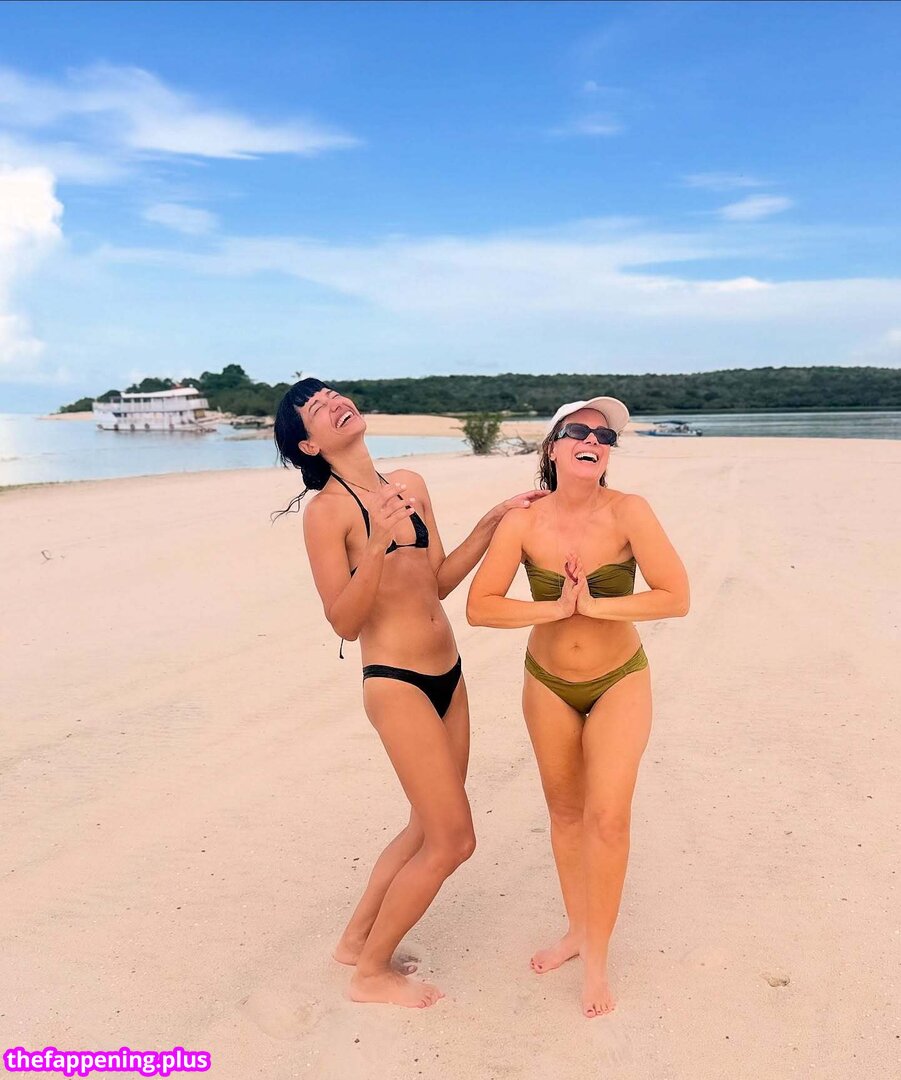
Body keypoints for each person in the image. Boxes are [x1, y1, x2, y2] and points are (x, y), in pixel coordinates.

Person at [273, 378, 546, 1009]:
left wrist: (494, 519)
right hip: (396, 682)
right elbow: (343, 621)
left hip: (448, 673)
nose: (335, 404)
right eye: (317, 409)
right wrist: (374, 546)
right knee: (454, 840)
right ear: (310, 445)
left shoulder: (409, 484)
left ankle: (354, 941)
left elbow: (438, 580)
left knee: (427, 825)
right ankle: (371, 974)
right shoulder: (326, 513)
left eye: (334, 395)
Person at [466, 396, 690, 1017]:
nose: (593, 440)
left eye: (604, 436)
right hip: (548, 684)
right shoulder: (524, 523)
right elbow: (480, 606)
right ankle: (577, 931)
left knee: (608, 818)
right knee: (565, 815)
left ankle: (598, 960)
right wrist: (554, 608)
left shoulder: (629, 512)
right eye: (578, 431)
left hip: (619, 679)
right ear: (552, 448)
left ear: (608, 455)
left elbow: (676, 596)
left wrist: (595, 606)